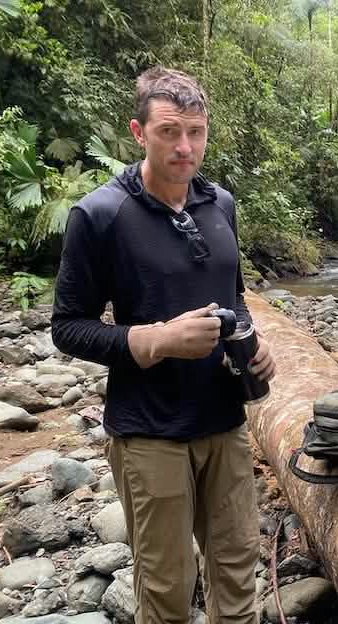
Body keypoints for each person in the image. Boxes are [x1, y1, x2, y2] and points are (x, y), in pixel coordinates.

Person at [51, 66, 275, 624]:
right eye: (169, 132)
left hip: (223, 422)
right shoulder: (100, 214)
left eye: (195, 132)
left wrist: (254, 342)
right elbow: (68, 326)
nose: (185, 147)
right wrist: (156, 339)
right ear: (138, 131)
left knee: (237, 571)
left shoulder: (219, 204)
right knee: (168, 589)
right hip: (150, 432)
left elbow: (235, 296)